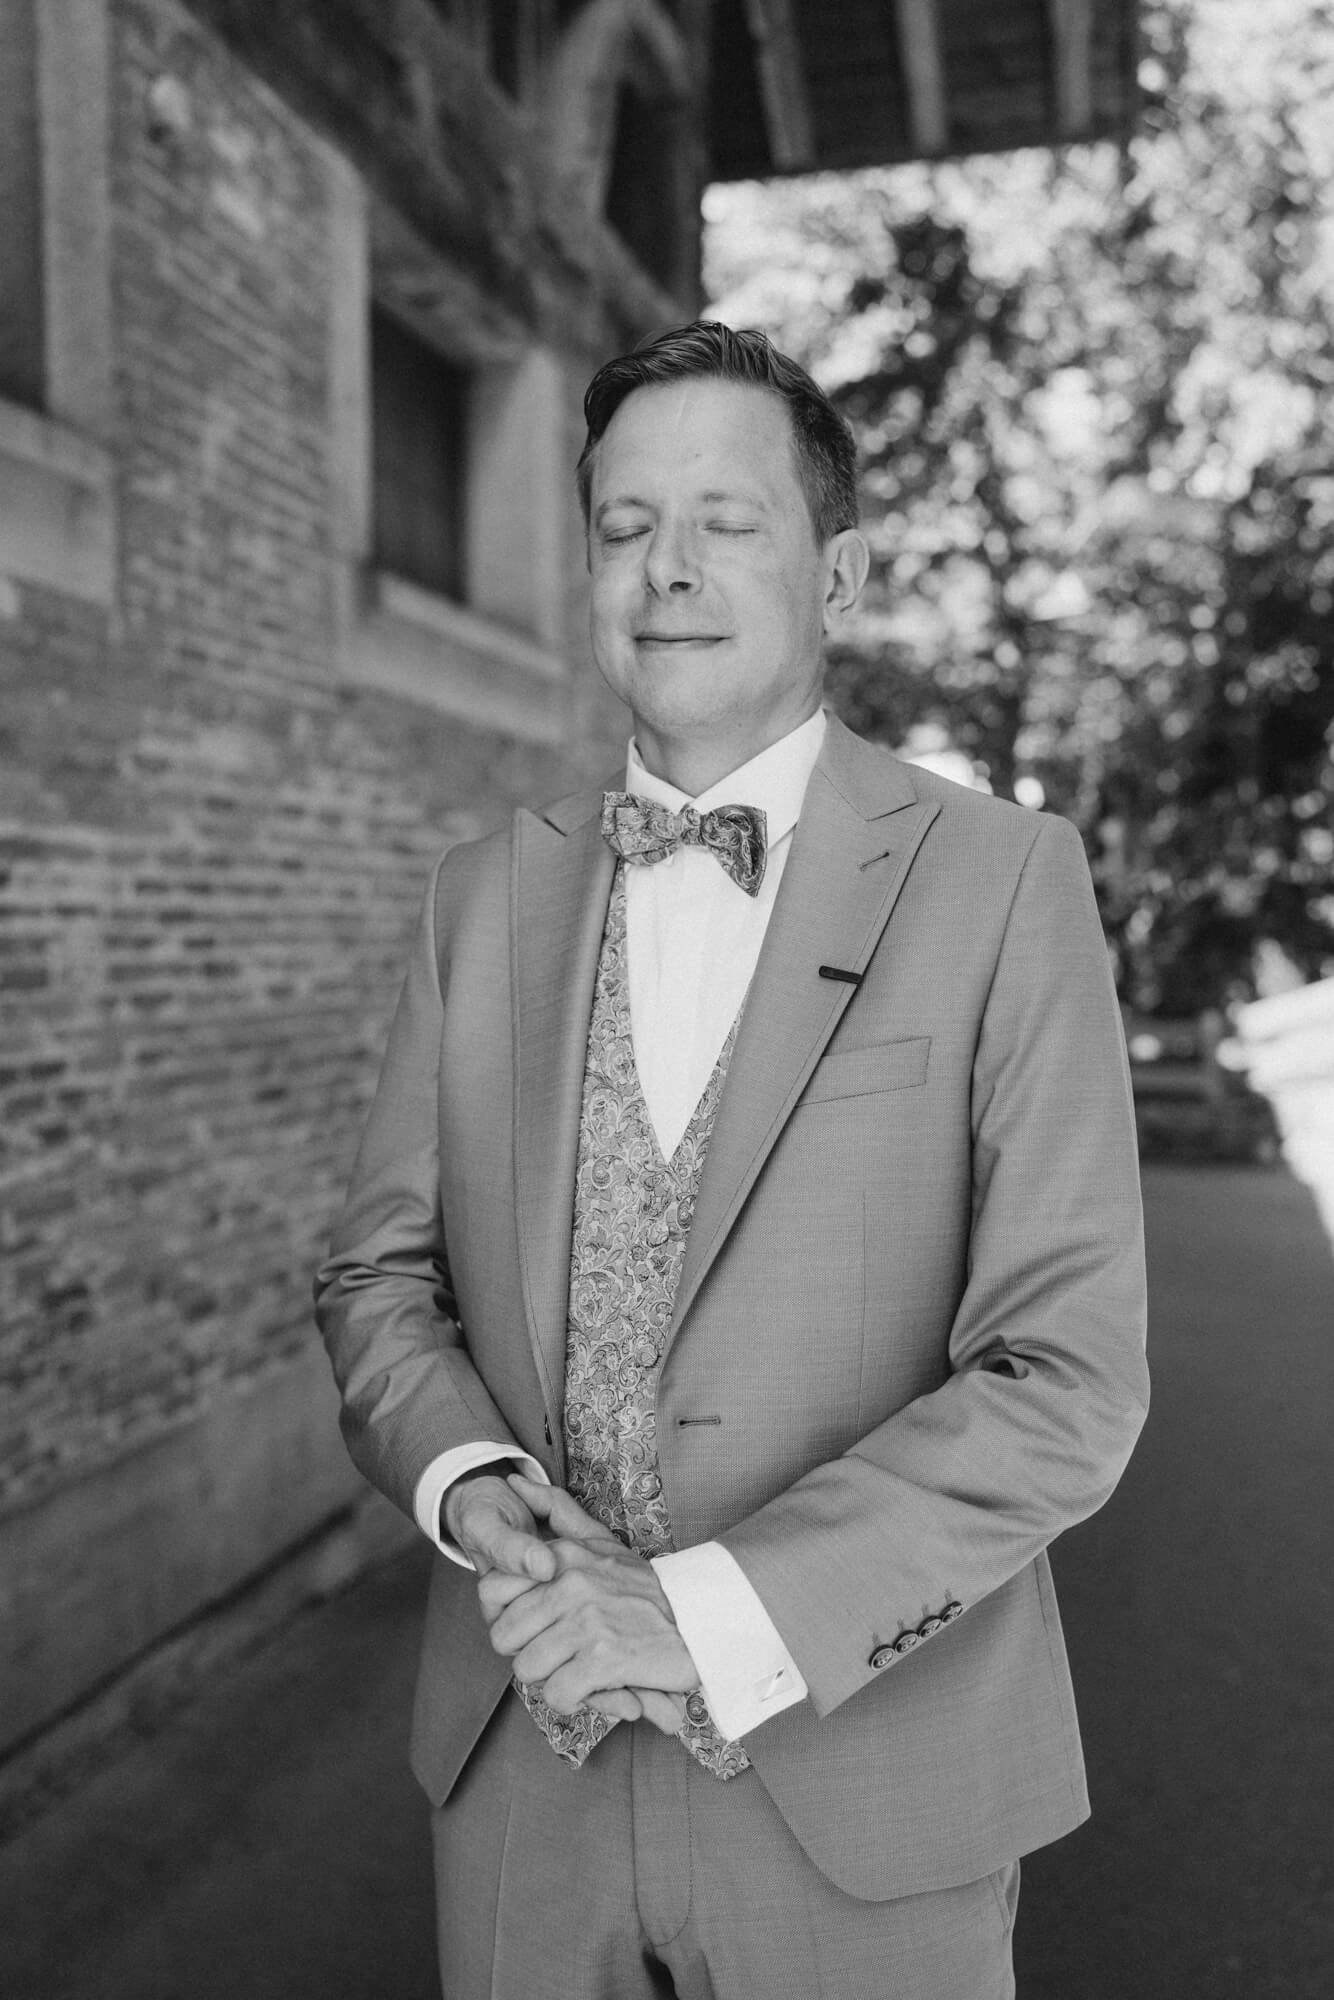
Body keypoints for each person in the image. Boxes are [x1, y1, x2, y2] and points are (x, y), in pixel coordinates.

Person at [314, 320, 1148, 1999]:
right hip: (518, 1767)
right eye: (624, 528)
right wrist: (469, 1487)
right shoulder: (479, 898)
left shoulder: (1001, 879)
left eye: (724, 521)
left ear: (835, 576)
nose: (666, 570)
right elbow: (376, 1277)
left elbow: (1065, 1378)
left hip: (862, 1787)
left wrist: (695, 1617)